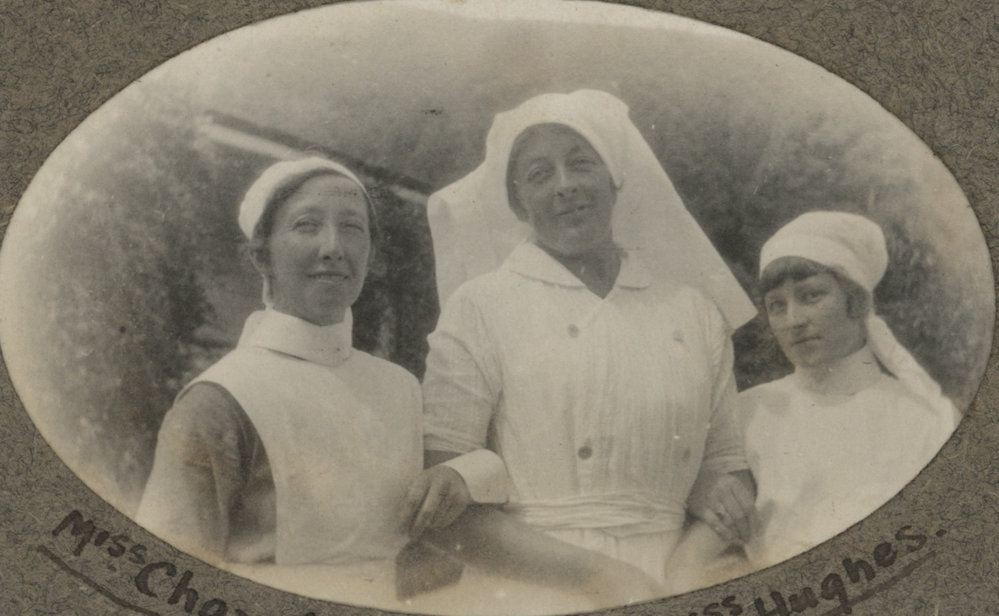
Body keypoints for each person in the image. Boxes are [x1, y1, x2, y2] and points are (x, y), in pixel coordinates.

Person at [136, 156, 656, 614]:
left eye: (353, 228)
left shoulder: (397, 388)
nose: (333, 248)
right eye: (306, 226)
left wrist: (464, 482)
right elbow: (165, 580)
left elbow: (432, 536)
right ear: (260, 255)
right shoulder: (219, 400)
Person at [410, 89, 758, 589]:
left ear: (615, 180)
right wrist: (604, 578)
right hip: (531, 583)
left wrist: (683, 571)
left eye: (581, 164)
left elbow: (727, 471)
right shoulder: (480, 306)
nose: (564, 186)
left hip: (672, 578)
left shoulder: (695, 313)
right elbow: (443, 508)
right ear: (517, 202)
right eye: (539, 174)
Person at [666, 211, 960, 590]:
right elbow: (691, 561)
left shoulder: (923, 418)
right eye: (777, 305)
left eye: (811, 296)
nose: (793, 320)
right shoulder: (749, 413)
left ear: (855, 301)